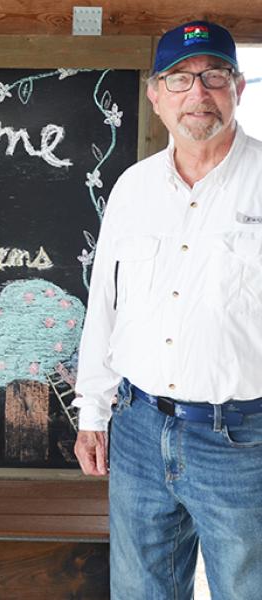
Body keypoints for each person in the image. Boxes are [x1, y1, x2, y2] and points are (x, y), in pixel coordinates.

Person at [73, 20, 262, 599]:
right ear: (156, 95)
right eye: (179, 79)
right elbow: (105, 305)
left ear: (238, 88)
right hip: (137, 429)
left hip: (242, 441)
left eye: (214, 76)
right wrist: (92, 412)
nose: (197, 93)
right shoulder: (133, 188)